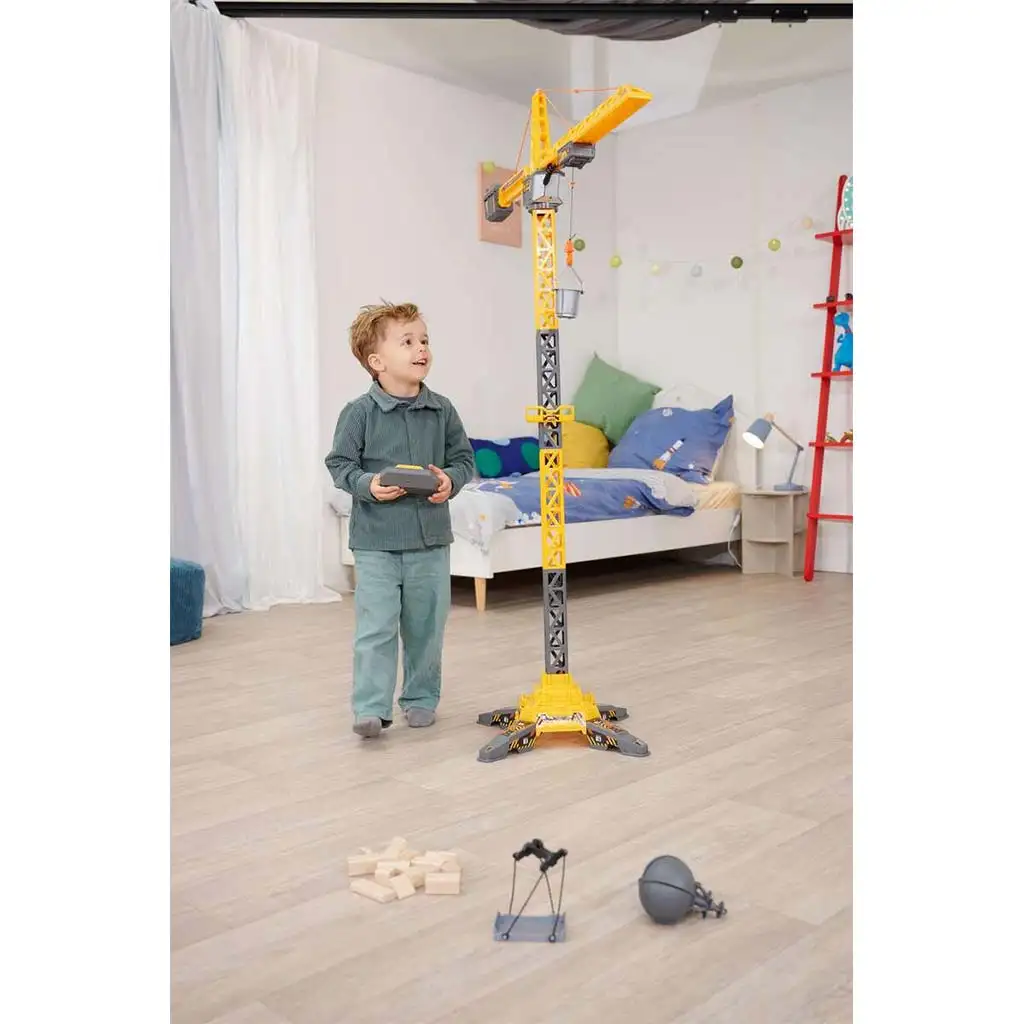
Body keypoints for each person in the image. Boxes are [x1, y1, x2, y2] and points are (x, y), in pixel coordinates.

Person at [325, 301, 476, 739]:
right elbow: (340, 464)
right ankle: (370, 707)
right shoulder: (359, 412)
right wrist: (369, 484)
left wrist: (450, 480)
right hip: (376, 542)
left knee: (426, 626)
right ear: (377, 362)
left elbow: (463, 459)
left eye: (424, 340)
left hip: (430, 541)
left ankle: (421, 697)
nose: (421, 348)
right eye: (407, 341)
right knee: (375, 626)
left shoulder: (442, 410)